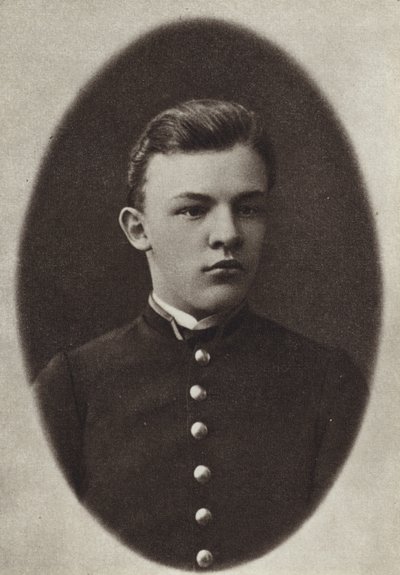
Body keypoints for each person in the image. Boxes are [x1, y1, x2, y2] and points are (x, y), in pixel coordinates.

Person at [34, 100, 368, 570]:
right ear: (137, 229)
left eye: (248, 208)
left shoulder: (329, 383)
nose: (228, 233)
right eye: (193, 211)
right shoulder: (71, 388)